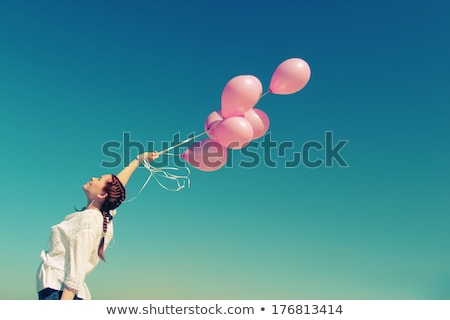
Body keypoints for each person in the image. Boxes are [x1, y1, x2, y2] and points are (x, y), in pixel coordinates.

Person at [36, 151, 159, 300]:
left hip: (60, 292)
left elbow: (77, 267)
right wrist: (138, 160)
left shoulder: (89, 219)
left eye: (99, 179)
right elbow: (115, 187)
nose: (93, 178)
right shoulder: (101, 216)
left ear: (102, 195)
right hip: (58, 290)